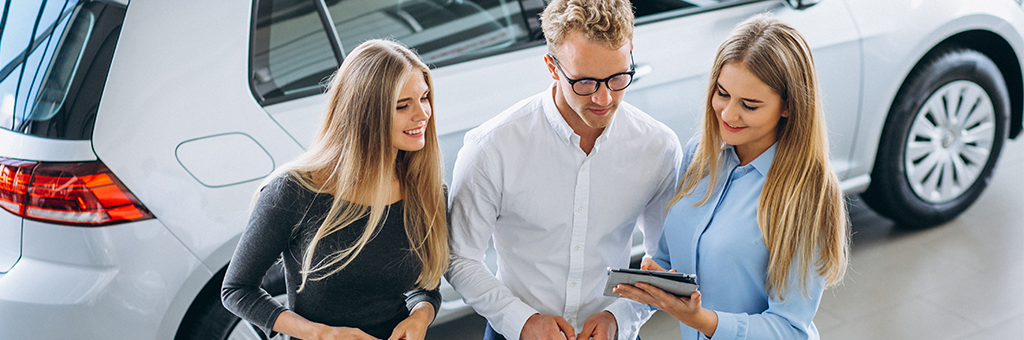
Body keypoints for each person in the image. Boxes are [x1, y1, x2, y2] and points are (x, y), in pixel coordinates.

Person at [445, 0, 682, 339]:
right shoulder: (491, 147)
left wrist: (622, 316)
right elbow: (460, 257)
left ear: (631, 53)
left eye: (617, 78)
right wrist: (522, 322)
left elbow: (667, 258)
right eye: (585, 82)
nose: (603, 99)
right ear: (552, 67)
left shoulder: (658, 146)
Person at [612, 13, 850, 340]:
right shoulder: (699, 155)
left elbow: (791, 329)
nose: (727, 114)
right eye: (722, 93)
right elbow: (667, 260)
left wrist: (702, 320)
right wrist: (618, 316)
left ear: (789, 107)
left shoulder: (807, 193)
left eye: (749, 105)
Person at [221, 39, 449, 340]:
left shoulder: (426, 190)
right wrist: (323, 335)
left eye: (424, 98)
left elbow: (426, 284)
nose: (422, 114)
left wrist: (421, 315)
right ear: (365, 114)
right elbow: (237, 290)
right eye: (402, 106)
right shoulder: (293, 191)